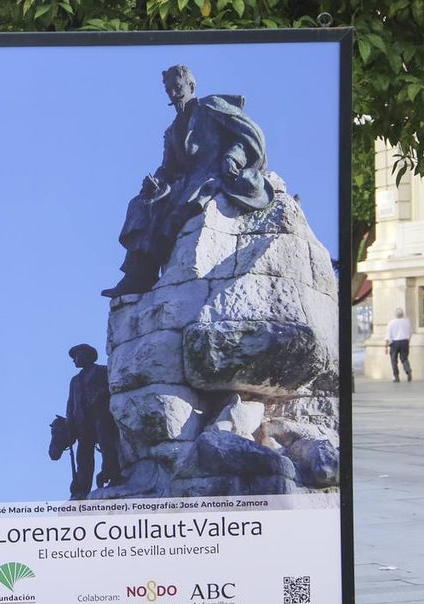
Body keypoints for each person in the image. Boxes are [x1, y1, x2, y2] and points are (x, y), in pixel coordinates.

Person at [103, 65, 273, 298]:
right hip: (184, 182)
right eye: (168, 90)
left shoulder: (212, 107)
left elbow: (249, 136)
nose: (173, 94)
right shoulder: (171, 130)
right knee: (142, 204)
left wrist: (233, 157)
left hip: (212, 174)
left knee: (187, 202)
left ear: (191, 86)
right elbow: (168, 168)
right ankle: (138, 276)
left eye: (177, 87)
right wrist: (155, 183)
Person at [65, 344, 122, 501]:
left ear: (87, 355)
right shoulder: (75, 381)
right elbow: (70, 403)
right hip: (83, 422)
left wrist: (100, 396)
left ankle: (112, 475)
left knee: (107, 445)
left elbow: (111, 389)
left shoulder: (103, 371)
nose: (74, 360)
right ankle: (81, 489)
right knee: (83, 455)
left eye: (76, 356)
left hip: (102, 416)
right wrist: (70, 420)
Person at [385, 307, 413, 382]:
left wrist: (386, 347)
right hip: (404, 342)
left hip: (394, 343)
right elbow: (410, 333)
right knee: (404, 358)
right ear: (402, 314)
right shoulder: (407, 322)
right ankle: (408, 370)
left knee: (394, 360)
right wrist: (408, 341)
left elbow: (388, 335)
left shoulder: (391, 322)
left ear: (395, 314)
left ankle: (396, 377)